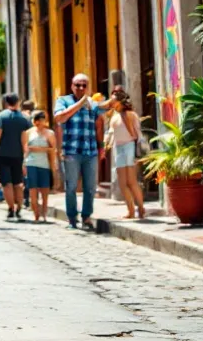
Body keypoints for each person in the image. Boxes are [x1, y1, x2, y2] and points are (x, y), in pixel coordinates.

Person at [55, 74, 106, 230]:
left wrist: (101, 146)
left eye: (84, 85)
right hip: (71, 151)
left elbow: (99, 125)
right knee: (71, 187)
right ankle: (72, 218)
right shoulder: (63, 101)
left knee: (90, 187)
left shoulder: (92, 104)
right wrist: (80, 104)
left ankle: (86, 217)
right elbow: (59, 118)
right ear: (72, 86)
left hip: (90, 151)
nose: (81, 88)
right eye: (78, 85)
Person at [108, 87, 148, 222]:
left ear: (120, 101)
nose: (111, 103)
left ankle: (141, 208)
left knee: (132, 181)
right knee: (122, 182)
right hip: (118, 148)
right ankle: (130, 210)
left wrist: (139, 151)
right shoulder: (113, 117)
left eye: (113, 101)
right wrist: (106, 144)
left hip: (129, 147)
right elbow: (111, 134)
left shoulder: (131, 115)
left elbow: (138, 133)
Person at [0, 93, 31, 220]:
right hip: (18, 155)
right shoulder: (24, 118)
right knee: (18, 183)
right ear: (18, 102)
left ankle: (10, 208)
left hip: (3, 154)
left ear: (6, 102)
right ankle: (19, 208)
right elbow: (25, 139)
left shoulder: (0, 117)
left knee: (6, 183)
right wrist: (25, 156)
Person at [22, 110, 57, 222]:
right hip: (31, 163)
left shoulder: (50, 133)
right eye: (35, 121)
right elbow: (26, 149)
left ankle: (44, 213)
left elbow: (53, 149)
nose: (37, 123)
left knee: (45, 190)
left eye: (40, 121)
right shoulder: (28, 133)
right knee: (32, 190)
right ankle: (36, 213)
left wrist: (53, 168)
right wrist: (23, 164)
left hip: (44, 164)